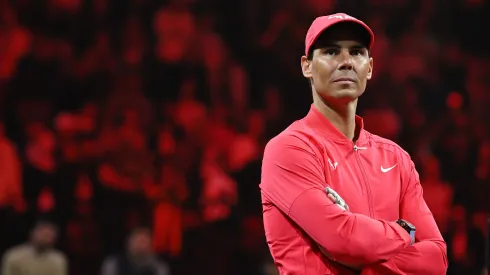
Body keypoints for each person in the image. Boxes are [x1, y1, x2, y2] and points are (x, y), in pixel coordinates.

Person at [260, 13, 447, 275]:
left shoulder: (396, 158)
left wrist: (367, 265)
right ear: (307, 66)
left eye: (356, 52)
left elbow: (436, 258)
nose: (346, 62)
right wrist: (404, 232)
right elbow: (342, 239)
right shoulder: (289, 149)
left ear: (369, 68)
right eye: (331, 51)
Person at [1, 220, 68, 275]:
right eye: (43, 234)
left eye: (49, 235)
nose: (46, 238)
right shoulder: (14, 256)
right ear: (32, 234)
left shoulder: (58, 260)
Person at [100, 227, 171, 275]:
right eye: (137, 242)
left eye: (144, 242)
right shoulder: (113, 264)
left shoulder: (159, 268)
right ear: (128, 244)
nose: (141, 246)